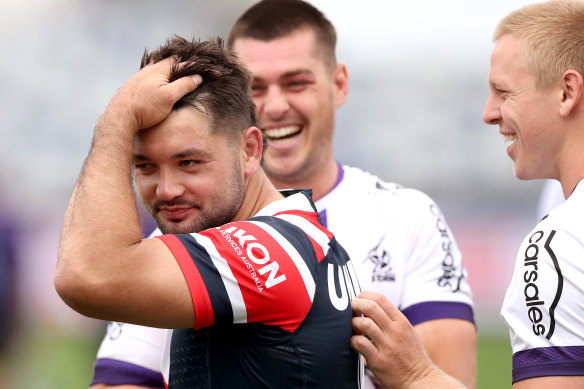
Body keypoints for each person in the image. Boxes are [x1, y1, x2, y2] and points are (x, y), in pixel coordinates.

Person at [90, 1, 476, 389]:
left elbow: (448, 377)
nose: (274, 106)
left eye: (296, 83)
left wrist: (410, 374)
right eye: (255, 87)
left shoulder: (406, 215)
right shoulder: (180, 230)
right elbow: (122, 377)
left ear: (338, 84)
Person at [55, 36, 362, 389]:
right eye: (145, 166)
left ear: (249, 150)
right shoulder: (244, 238)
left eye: (189, 162)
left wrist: (117, 119)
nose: (167, 190)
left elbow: (86, 276)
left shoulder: (271, 248)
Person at [351, 0, 584, 387]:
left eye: (503, 92)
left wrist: (416, 374)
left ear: (567, 92)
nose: (488, 113)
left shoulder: (561, 242)